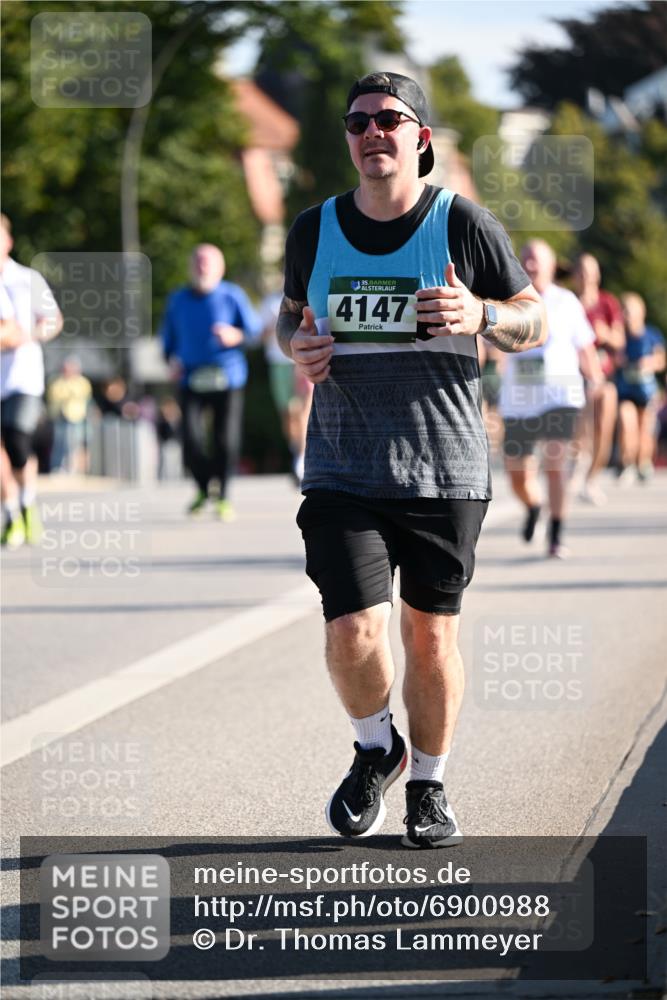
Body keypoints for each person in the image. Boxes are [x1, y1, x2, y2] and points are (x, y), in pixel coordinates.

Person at [277, 72, 547, 848]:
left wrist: (482, 314)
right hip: (341, 466)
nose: (372, 133)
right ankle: (375, 749)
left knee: (430, 638)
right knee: (352, 632)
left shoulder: (462, 223)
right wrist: (294, 343)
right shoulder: (312, 228)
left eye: (389, 120)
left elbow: (533, 319)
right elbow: (288, 318)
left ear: (418, 137)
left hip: (444, 466)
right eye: (357, 121)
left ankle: (427, 782)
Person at [500, 240, 604, 559]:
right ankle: (533, 506)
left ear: (551, 264)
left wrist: (596, 379)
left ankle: (556, 535)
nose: (530, 265)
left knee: (556, 464)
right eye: (526, 259)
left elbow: (584, 345)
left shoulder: (566, 301)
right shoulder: (508, 299)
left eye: (536, 260)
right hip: (519, 398)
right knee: (517, 473)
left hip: (560, 395)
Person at [160, 244, 262, 520]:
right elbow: (167, 342)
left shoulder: (232, 296)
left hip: (227, 377)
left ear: (220, 268)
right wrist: (171, 361)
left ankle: (224, 496)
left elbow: (255, 332)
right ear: (191, 267)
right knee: (190, 440)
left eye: (208, 263)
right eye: (198, 262)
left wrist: (235, 336)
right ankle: (204, 488)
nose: (202, 267)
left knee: (225, 439)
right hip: (190, 378)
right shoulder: (178, 299)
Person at [0, 214, 63, 548]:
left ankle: (27, 504)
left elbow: (53, 321)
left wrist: (29, 335)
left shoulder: (27, 279)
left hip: (22, 377)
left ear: (8, 241)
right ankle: (10, 513)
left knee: (16, 438)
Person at [572, 253, 625, 504]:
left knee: (604, 420)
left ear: (597, 275)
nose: (586, 276)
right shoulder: (568, 302)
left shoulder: (608, 303)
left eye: (590, 271)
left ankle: (591, 478)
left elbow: (620, 340)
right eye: (581, 271)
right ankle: (577, 468)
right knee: (580, 430)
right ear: (575, 275)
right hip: (573, 375)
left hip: (602, 375)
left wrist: (604, 334)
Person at [261, 288, 313, 483]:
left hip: (297, 361)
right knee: (287, 413)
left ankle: (301, 459)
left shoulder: (305, 297)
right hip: (277, 362)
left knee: (300, 409)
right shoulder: (270, 301)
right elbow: (261, 334)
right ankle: (296, 449)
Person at [615, 292, 665, 483]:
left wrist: (649, 362)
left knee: (645, 429)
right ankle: (626, 463)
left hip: (647, 390)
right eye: (624, 311)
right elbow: (615, 359)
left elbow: (661, 361)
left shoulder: (652, 334)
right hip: (626, 390)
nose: (627, 315)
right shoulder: (621, 336)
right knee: (627, 424)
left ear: (641, 312)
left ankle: (643, 462)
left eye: (630, 311)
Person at [47, 356, 92, 473]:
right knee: (59, 444)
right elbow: (55, 395)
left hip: (76, 418)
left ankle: (72, 469)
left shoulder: (82, 382)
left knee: (74, 444)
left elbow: (83, 395)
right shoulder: (57, 381)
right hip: (60, 417)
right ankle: (58, 468)